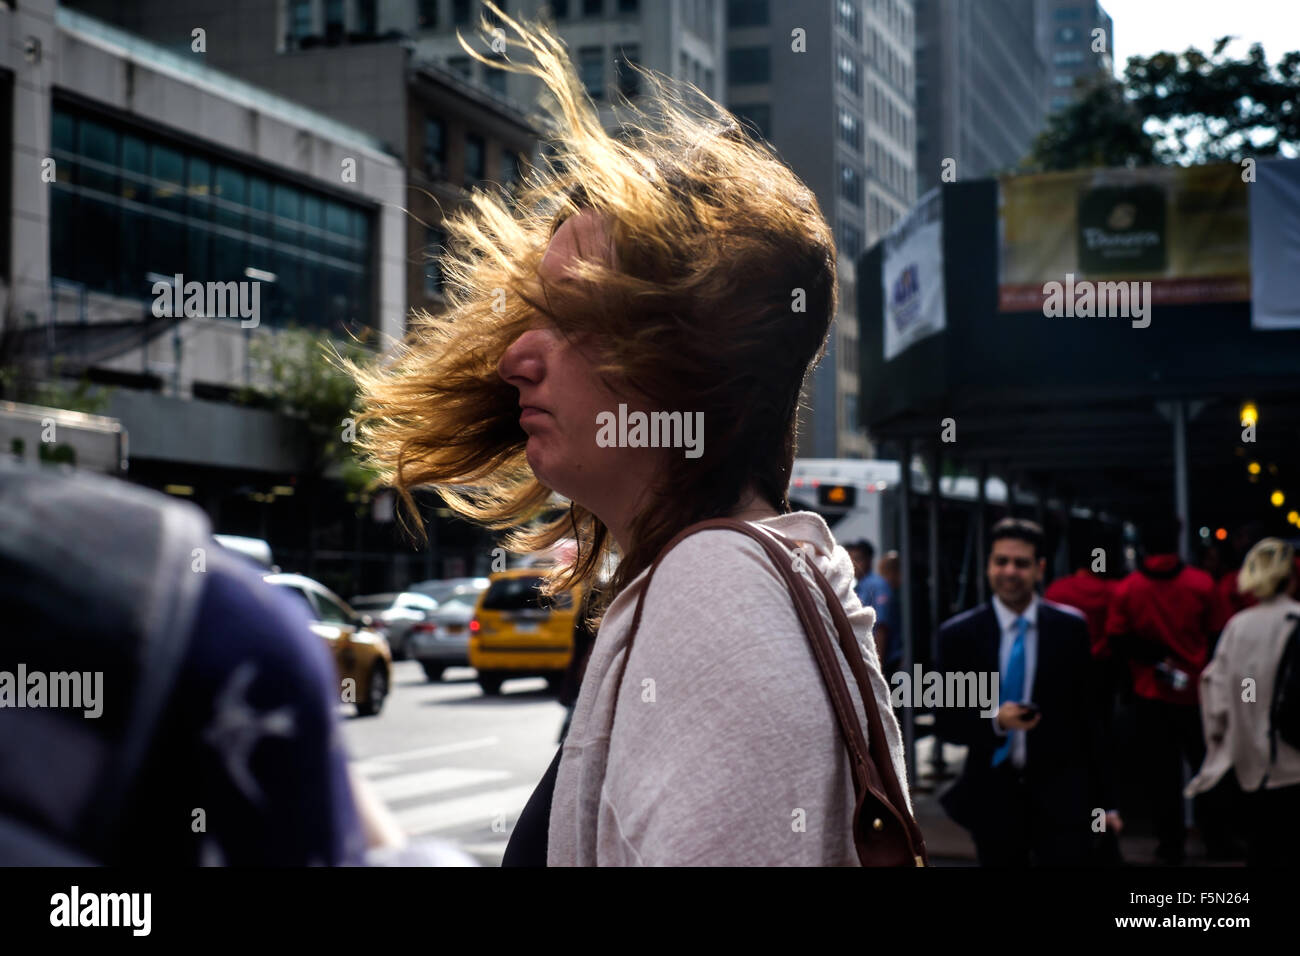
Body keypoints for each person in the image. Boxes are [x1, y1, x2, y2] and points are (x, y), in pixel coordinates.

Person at [347, 5, 915, 866]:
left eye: (576, 320)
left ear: (691, 358)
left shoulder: (714, 586)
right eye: (531, 315)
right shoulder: (753, 567)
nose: (513, 360)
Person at [935, 518, 1118, 866]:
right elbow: (947, 721)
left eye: (1021, 563)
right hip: (992, 797)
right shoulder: (959, 635)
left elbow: (1091, 720)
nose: (1009, 571)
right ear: (988, 565)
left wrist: (1106, 802)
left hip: (1062, 796)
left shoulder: (1070, 629)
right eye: (1000, 561)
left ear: (1039, 569)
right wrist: (994, 720)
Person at [1104, 516, 1223, 865]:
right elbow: (1219, 637)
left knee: (1161, 776)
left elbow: (1116, 640)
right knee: (1208, 768)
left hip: (1150, 695)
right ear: (1178, 537)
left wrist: (1151, 657)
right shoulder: (1202, 584)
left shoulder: (1128, 589)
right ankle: (1216, 839)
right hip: (1199, 695)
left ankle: (1170, 845)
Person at [1186, 539, 1300, 867]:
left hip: (1252, 762)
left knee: (1261, 849)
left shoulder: (1239, 627)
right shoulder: (1295, 619)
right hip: (1293, 759)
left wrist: (1240, 719)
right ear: (1291, 576)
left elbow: (1221, 687)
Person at [849, 540, 898, 672]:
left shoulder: (876, 585)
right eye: (850, 559)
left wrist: (877, 666)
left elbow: (881, 627)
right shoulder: (859, 587)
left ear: (869, 560)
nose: (853, 564)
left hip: (882, 661)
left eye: (858, 559)